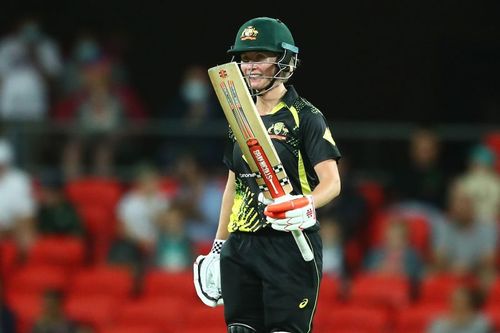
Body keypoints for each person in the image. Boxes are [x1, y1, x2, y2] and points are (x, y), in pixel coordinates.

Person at [193, 17, 342, 333]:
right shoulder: (239, 117)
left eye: (259, 57)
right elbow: (233, 188)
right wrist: (219, 246)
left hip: (289, 243)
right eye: (245, 59)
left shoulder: (305, 116)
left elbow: (332, 182)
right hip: (241, 246)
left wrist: (306, 203)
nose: (250, 67)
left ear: (284, 60)